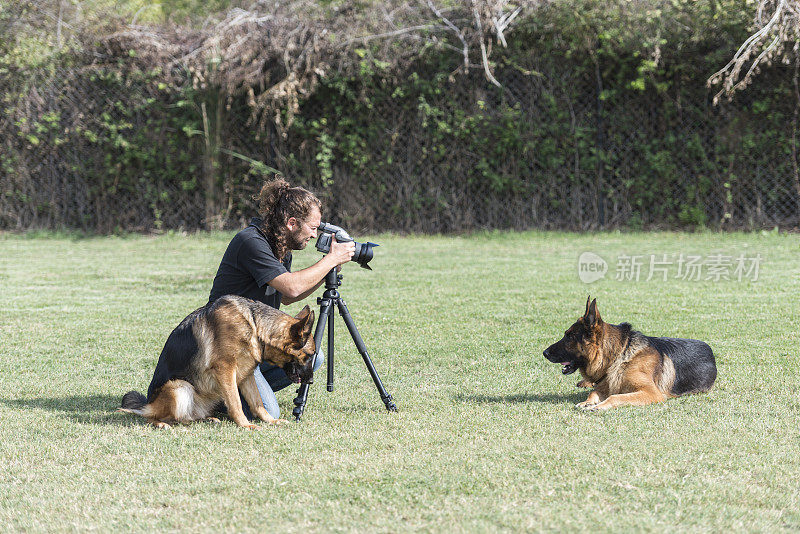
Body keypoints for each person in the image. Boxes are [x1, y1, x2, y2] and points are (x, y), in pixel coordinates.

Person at [207, 178, 355, 420]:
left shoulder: (281, 247)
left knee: (312, 359)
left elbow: (286, 297)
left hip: (255, 346)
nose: (315, 235)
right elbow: (293, 287)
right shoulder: (251, 242)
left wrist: (328, 271)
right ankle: (218, 398)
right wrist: (331, 259)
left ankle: (245, 391)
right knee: (271, 411)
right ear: (291, 223)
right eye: (313, 227)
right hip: (231, 349)